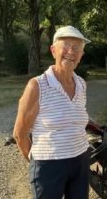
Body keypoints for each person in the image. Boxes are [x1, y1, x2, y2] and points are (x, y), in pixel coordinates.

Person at [12, 25, 91, 199]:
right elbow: (20, 133)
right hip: (48, 165)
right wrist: (37, 162)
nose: (71, 51)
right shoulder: (37, 86)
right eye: (66, 45)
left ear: (81, 55)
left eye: (76, 48)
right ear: (53, 50)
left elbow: (77, 122)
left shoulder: (81, 84)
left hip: (80, 161)